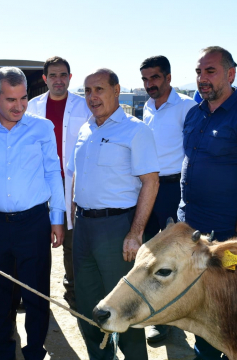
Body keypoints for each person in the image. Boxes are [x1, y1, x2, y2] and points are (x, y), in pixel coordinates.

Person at [0, 67, 65, 360]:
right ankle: (3, 354)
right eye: (10, 100)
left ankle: (34, 352)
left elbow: (53, 173)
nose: (19, 106)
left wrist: (57, 218)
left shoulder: (42, 128)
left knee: (36, 295)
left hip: (34, 223)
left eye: (24, 98)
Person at [178, 47, 237, 360]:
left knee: (228, 313)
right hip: (192, 232)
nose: (202, 78)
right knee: (199, 306)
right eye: (199, 72)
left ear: (231, 74)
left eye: (211, 71)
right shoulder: (194, 114)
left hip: (225, 236)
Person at [69, 68, 159, 360]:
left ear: (117, 90)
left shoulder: (136, 130)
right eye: (87, 91)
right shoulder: (85, 129)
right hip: (83, 227)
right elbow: (78, 176)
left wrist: (135, 233)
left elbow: (150, 182)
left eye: (99, 89)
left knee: (124, 305)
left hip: (116, 228)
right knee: (87, 303)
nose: (93, 97)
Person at [139, 55, 196, 344]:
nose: (150, 84)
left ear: (168, 77)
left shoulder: (187, 107)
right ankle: (158, 318)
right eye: (145, 79)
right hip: (150, 188)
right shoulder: (146, 108)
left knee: (175, 254)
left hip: (176, 188)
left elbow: (194, 151)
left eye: (155, 78)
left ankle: (180, 315)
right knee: (150, 252)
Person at [27, 56, 90, 311]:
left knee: (72, 246)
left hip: (72, 187)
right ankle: (34, 295)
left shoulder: (84, 106)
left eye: (63, 75)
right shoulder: (32, 107)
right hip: (39, 188)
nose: (58, 80)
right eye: (52, 75)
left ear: (70, 78)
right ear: (44, 79)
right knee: (36, 246)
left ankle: (73, 293)